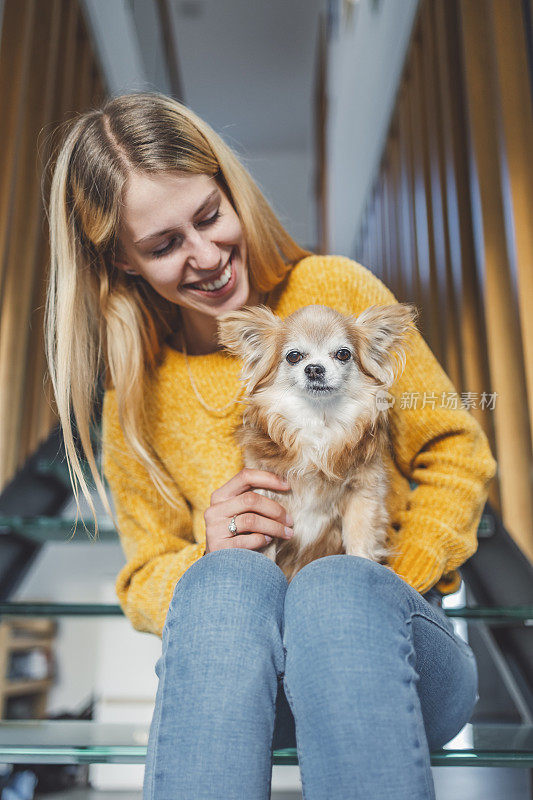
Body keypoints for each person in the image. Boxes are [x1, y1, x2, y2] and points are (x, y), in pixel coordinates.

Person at [44, 91, 497, 800]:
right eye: (164, 246)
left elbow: (455, 452)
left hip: (393, 661)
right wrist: (208, 555)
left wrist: (386, 580)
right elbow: (141, 579)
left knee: (336, 587)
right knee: (224, 584)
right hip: (244, 687)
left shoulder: (332, 290)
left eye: (208, 216)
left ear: (230, 189)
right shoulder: (135, 394)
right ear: (123, 262)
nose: (207, 257)